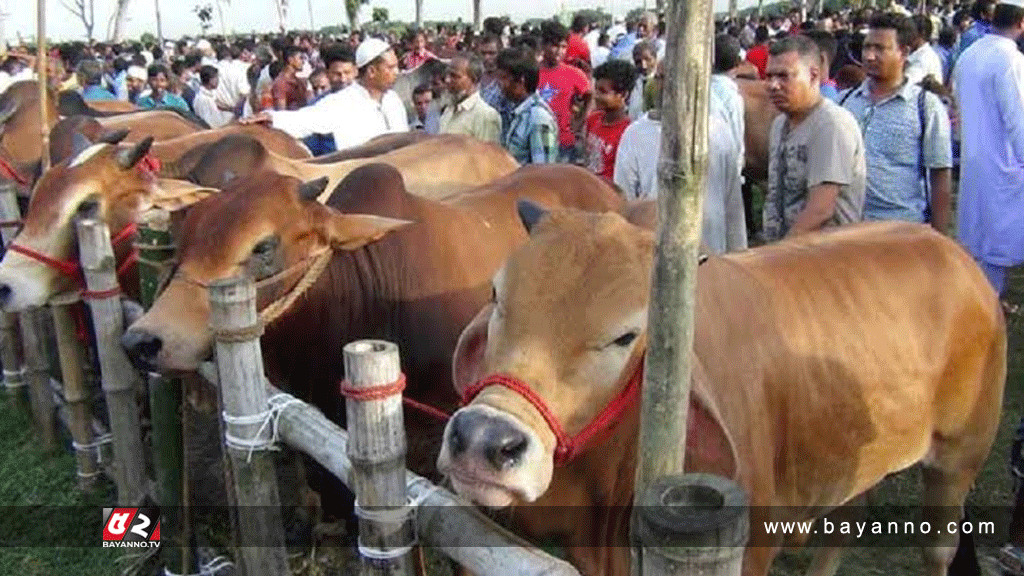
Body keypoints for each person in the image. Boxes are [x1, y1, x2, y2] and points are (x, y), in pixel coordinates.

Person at [614, 62, 747, 253]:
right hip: (653, 254)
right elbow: (625, 201)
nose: (669, 86)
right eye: (661, 78)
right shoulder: (635, 134)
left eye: (679, 79)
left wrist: (737, 253)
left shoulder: (719, 130)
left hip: (712, 253)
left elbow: (733, 203)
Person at [841, 12, 952, 232]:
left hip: (902, 232)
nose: (869, 56)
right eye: (866, 47)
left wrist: (939, 238)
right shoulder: (845, 102)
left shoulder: (926, 107)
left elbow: (940, 175)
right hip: (848, 229)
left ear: (904, 52)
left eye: (880, 49)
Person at [953, 0, 1024, 300]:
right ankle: (988, 309)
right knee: (996, 239)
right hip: (1003, 163)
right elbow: (1018, 118)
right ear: (1021, 23)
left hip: (974, 158)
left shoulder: (969, 54)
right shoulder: (1011, 60)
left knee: (981, 238)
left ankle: (981, 302)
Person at [762, 35, 866, 241]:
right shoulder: (779, 125)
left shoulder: (831, 124)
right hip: (788, 256)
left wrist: (778, 254)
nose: (773, 85)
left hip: (824, 260)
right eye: (769, 76)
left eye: (784, 76)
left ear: (813, 75)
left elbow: (820, 210)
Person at [240, 38, 408, 152]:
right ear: (371, 71)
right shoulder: (341, 103)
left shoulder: (393, 100)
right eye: (391, 68)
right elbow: (304, 120)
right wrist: (271, 118)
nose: (397, 72)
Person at [537, 19, 591, 163]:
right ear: (544, 45)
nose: (559, 51)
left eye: (563, 46)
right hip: (537, 140)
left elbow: (589, 95)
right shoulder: (533, 72)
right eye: (554, 45)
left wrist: (580, 120)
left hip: (564, 142)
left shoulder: (574, 74)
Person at [495, 47, 558, 165]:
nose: (499, 84)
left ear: (521, 80)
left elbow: (542, 172)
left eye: (503, 78)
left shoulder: (538, 118)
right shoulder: (510, 108)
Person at [584, 59, 636, 180]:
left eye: (603, 91)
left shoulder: (628, 132)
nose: (596, 96)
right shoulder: (593, 119)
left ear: (623, 95)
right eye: (596, 89)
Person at [439, 54, 501, 143]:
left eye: (454, 76)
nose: (447, 80)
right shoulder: (448, 110)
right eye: (447, 75)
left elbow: (486, 155)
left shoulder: (486, 116)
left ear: (474, 80)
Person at [906, 14, 945, 85]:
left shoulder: (924, 59)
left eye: (910, 31)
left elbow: (906, 84)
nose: (906, 35)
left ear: (921, 33)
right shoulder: (917, 54)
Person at [271, 45, 309, 110]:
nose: (302, 61)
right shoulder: (281, 83)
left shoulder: (299, 81)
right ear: (290, 60)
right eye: (300, 58)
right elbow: (281, 112)